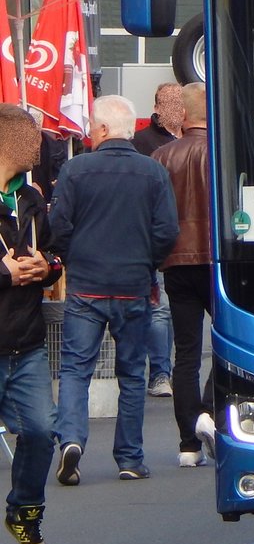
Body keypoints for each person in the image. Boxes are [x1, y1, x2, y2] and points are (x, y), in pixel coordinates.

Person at [50, 95, 179, 484]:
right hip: (134, 286)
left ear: (103, 129)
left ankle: (71, 439)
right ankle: (129, 458)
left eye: (91, 126)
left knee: (75, 369)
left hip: (87, 286)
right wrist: (147, 263)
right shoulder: (152, 172)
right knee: (133, 375)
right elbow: (167, 231)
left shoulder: (75, 170)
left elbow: (59, 227)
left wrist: (76, 259)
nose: (89, 131)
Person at [0, 104, 63, 544]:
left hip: (26, 340)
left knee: (42, 431)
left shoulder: (32, 199)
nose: (38, 145)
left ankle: (24, 510)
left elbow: (56, 251)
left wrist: (47, 268)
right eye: (30, 136)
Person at [152, 83, 216, 468]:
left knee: (186, 353)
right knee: (228, 345)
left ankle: (187, 442)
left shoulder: (161, 156)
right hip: (219, 262)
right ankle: (209, 411)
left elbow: (156, 217)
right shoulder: (224, 151)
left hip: (176, 262)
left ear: (184, 115)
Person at [132, 82, 185, 398]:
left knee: (177, 310)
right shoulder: (143, 142)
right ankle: (160, 373)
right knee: (161, 308)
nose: (178, 108)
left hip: (190, 239)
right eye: (172, 102)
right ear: (157, 107)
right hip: (157, 236)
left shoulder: (198, 137)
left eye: (182, 102)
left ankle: (175, 370)